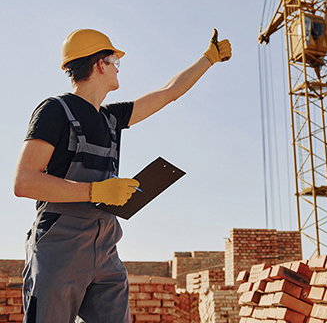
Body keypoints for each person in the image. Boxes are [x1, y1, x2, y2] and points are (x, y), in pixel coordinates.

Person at [13, 28, 232, 323]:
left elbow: (169, 93)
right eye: (115, 60)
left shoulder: (111, 118)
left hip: (104, 250)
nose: (118, 67)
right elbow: (24, 181)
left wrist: (208, 59)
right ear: (100, 64)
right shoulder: (55, 111)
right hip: (58, 248)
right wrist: (95, 192)